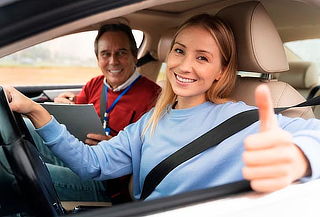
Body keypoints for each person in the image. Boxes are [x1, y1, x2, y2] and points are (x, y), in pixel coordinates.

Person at [6, 14, 320, 201]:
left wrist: (299, 157)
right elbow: (92, 164)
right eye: (179, 51)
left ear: (222, 72)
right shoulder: (152, 120)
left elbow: (313, 133)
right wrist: (36, 111)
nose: (184, 65)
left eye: (202, 57)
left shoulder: (241, 118)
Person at [28, 23, 161, 204]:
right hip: (79, 154)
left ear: (134, 55)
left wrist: (116, 146)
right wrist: (64, 104)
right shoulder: (95, 84)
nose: (113, 61)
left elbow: (152, 155)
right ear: (98, 58)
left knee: (27, 173)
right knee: (27, 127)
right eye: (105, 54)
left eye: (121, 52)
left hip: (109, 181)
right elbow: (74, 122)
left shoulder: (153, 96)